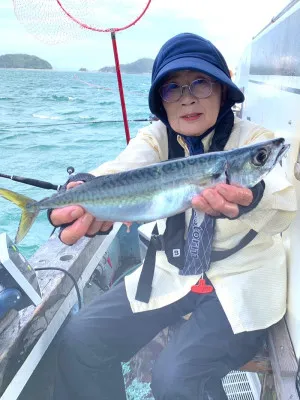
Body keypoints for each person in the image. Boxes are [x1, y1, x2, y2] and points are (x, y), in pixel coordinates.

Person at [50, 33, 297, 399]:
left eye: (201, 82)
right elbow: (122, 168)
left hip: (242, 278)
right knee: (79, 339)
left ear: (223, 91)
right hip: (171, 272)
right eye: (172, 88)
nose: (187, 97)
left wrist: (252, 194)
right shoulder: (156, 139)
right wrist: (85, 186)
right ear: (162, 103)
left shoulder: (253, 140)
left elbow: (282, 183)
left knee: (174, 378)